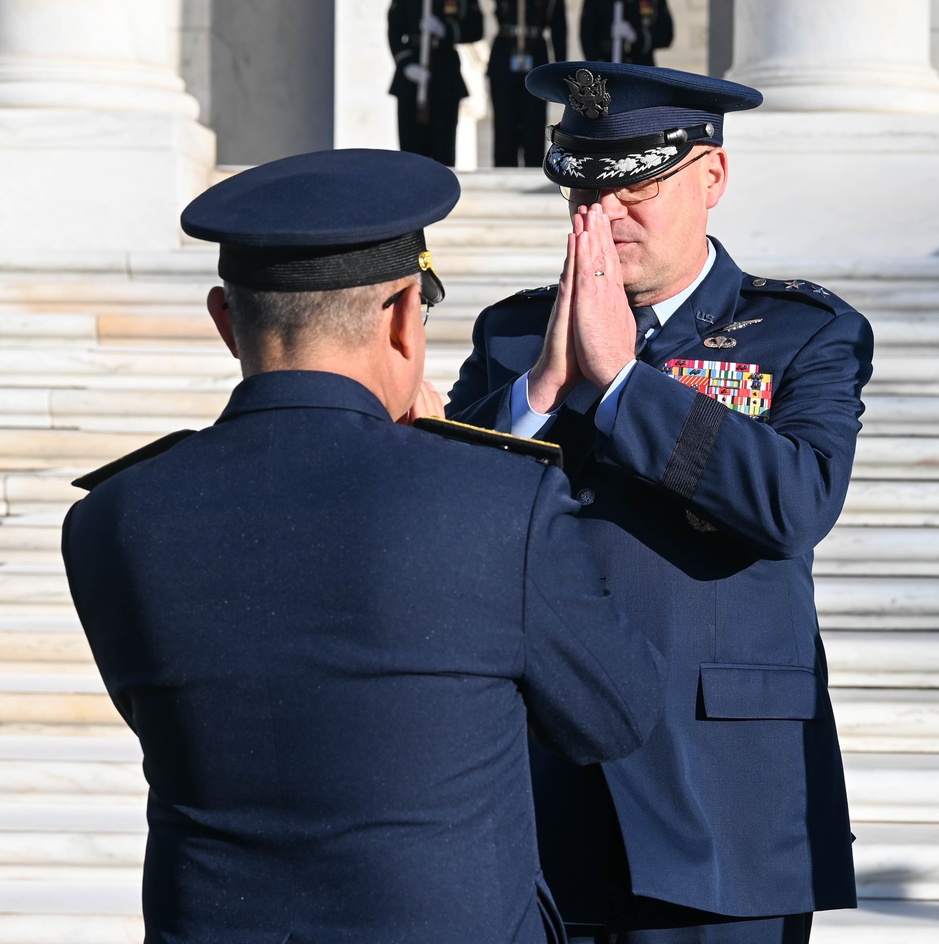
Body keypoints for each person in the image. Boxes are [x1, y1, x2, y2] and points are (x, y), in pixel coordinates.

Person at [61, 148, 669, 944]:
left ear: (223, 320)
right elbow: (615, 716)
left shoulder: (113, 516)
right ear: (403, 318)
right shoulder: (494, 499)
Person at [445, 62, 874, 944]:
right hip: (537, 786)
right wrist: (540, 387)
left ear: (710, 177)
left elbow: (795, 500)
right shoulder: (515, 335)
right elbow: (442, 509)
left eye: (635, 184)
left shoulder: (805, 331)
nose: (602, 215)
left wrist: (620, 390)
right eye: (582, 188)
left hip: (726, 794)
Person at [388, 0, 484, 166]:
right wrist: (406, 64)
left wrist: (445, 31)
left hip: (445, 73)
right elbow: (394, 28)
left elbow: (475, 28)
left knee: (443, 152)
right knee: (411, 153)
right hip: (411, 77)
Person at [488, 0, 567, 167]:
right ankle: (504, 169)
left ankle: (534, 168)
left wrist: (561, 69)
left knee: (534, 120)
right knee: (504, 120)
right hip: (505, 52)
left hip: (535, 50)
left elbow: (559, 28)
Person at [580, 0, 673, 65]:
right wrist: (598, 64)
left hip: (642, 68)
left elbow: (666, 34)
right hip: (607, 67)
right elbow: (587, 35)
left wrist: (637, 36)